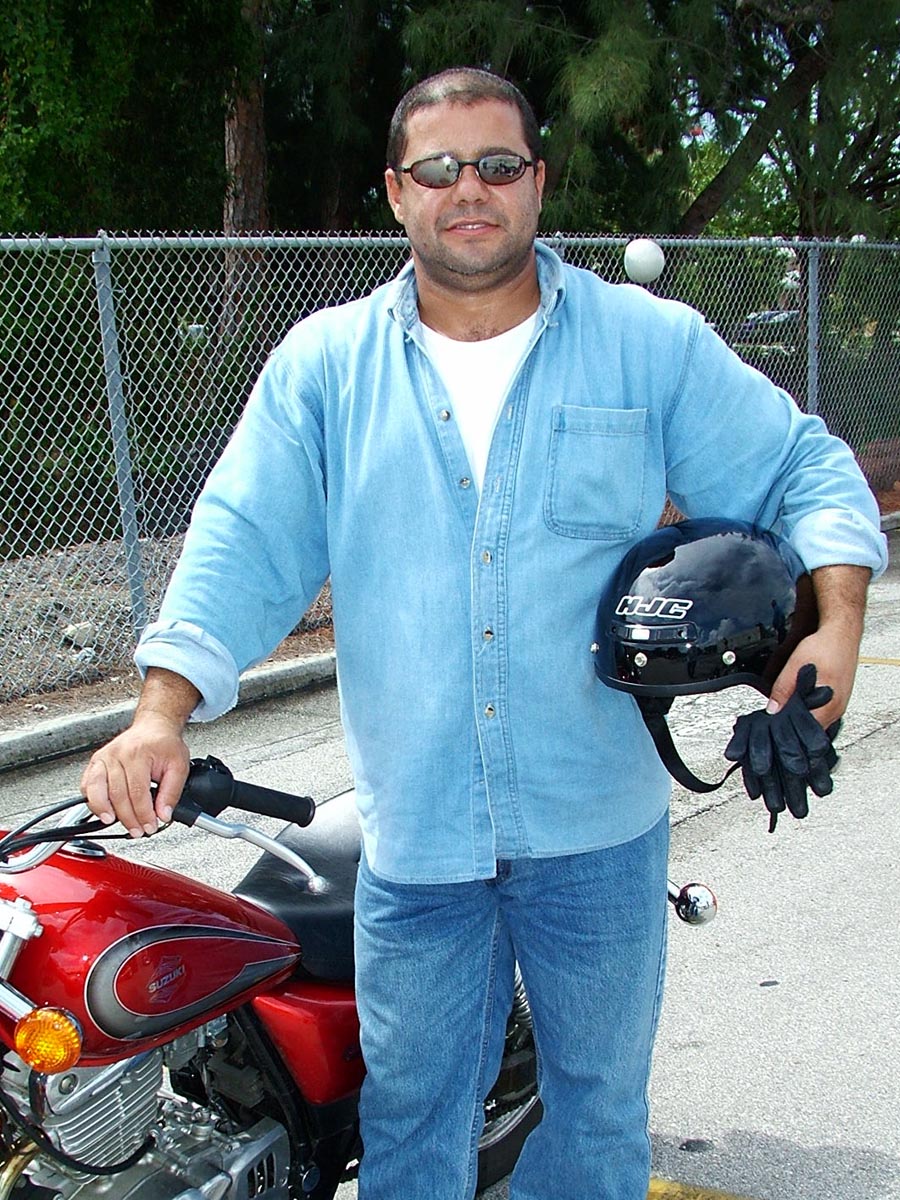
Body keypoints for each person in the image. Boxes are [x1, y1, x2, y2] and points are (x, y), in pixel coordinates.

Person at [82, 67, 887, 1199]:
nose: (471, 189)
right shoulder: (327, 369)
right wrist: (160, 712)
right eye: (440, 168)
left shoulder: (647, 346)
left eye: (498, 164)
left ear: (538, 183)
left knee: (596, 1122)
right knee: (411, 1131)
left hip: (598, 837)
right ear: (396, 192)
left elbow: (804, 467)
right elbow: (241, 542)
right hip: (418, 848)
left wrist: (835, 625)